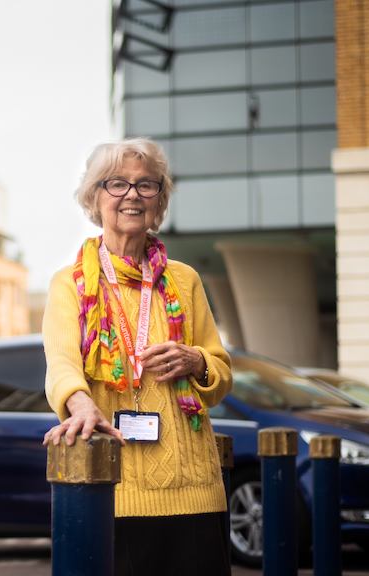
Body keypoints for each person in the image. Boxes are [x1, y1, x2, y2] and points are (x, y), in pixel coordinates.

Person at [42, 138, 233, 575]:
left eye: (146, 185)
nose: (132, 194)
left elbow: (221, 373)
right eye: (117, 183)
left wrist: (196, 361)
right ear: (95, 197)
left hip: (196, 492)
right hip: (115, 492)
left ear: (158, 200)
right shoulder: (70, 283)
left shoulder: (184, 280)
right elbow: (62, 363)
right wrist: (80, 405)